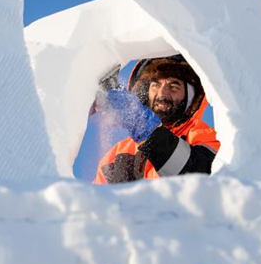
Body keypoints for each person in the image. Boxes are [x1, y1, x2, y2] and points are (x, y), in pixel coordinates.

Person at [93, 54, 220, 184]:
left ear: (192, 96)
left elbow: (203, 177)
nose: (162, 94)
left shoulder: (209, 139)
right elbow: (96, 195)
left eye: (174, 86)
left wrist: (143, 126)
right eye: (156, 85)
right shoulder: (116, 155)